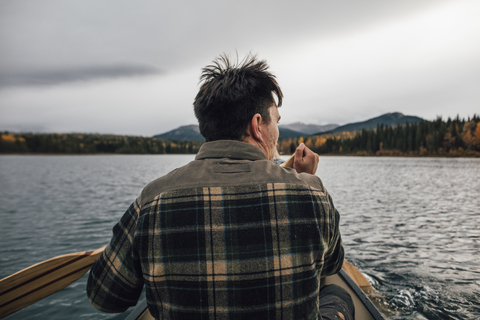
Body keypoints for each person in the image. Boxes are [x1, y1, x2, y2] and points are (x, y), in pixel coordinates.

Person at [87, 53, 354, 320]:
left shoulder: (152, 199)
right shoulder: (312, 192)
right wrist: (304, 183)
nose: (278, 132)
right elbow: (331, 264)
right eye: (276, 121)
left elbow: (105, 298)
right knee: (337, 295)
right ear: (257, 125)